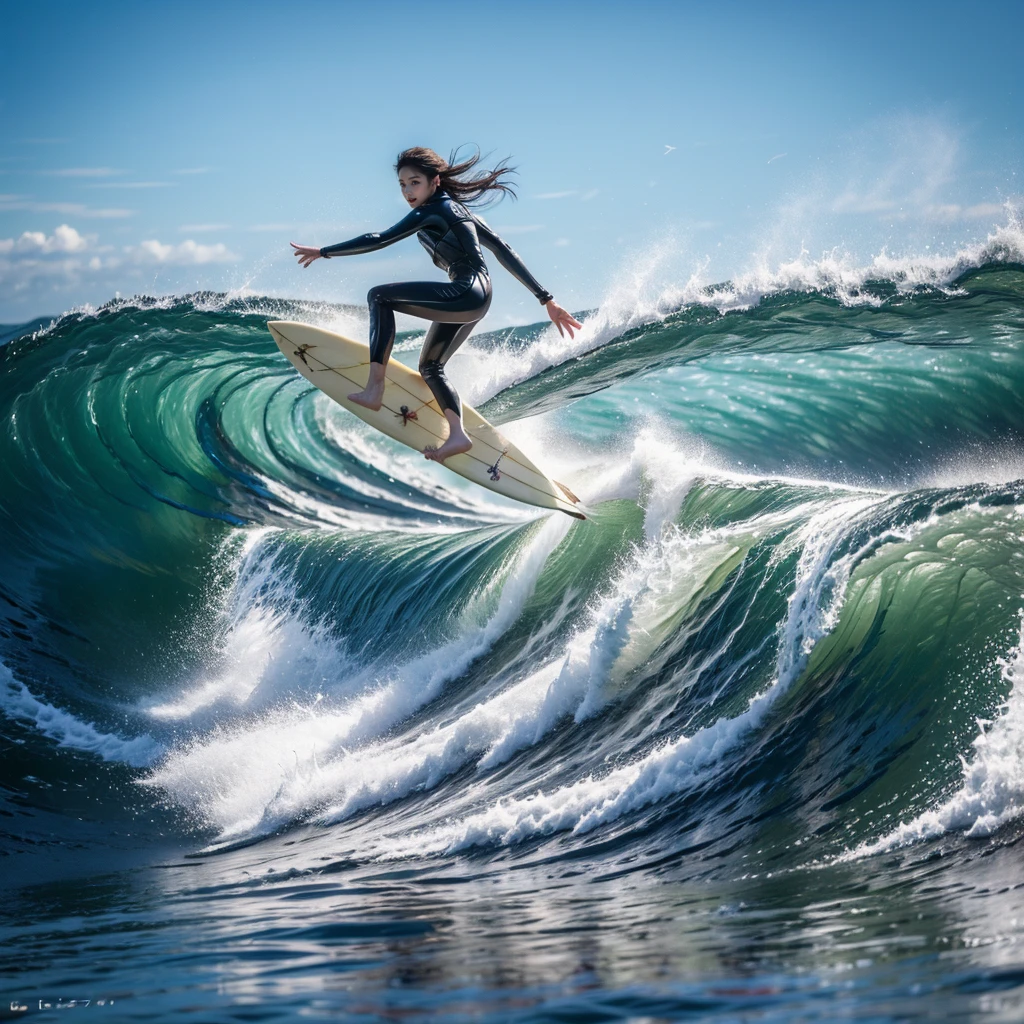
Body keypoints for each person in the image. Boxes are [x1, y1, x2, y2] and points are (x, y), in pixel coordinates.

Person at [291, 147, 582, 463]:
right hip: (477, 298)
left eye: (414, 182)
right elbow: (503, 249)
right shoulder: (458, 211)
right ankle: (458, 435)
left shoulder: (434, 210)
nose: (407, 192)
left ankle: (375, 389)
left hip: (465, 292)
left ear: (435, 181)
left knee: (379, 296)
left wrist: (325, 251)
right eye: (402, 185)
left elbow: (379, 238)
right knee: (430, 366)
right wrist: (546, 300)